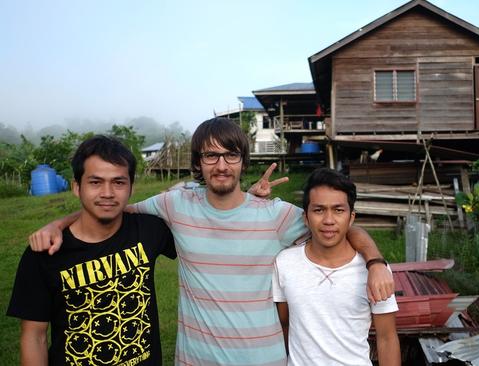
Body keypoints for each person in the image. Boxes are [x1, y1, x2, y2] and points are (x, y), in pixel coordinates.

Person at [29, 118, 394, 366]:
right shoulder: (174, 205)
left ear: (242, 161)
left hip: (264, 360)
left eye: (230, 155)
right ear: (199, 163)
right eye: (211, 155)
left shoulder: (275, 215)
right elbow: (109, 207)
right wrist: (57, 223)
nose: (221, 165)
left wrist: (375, 261)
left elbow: (337, 223)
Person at [7, 136, 176, 365]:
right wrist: (58, 225)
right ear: (77, 187)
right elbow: (33, 338)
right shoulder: (44, 253)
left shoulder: (149, 230)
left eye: (118, 182)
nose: (107, 193)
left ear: (131, 187)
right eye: (95, 182)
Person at [273, 168, 400, 365]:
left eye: (338, 210)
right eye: (319, 210)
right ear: (306, 217)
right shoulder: (285, 263)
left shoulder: (376, 271)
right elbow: (284, 325)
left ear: (351, 218)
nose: (329, 220)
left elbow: (387, 338)